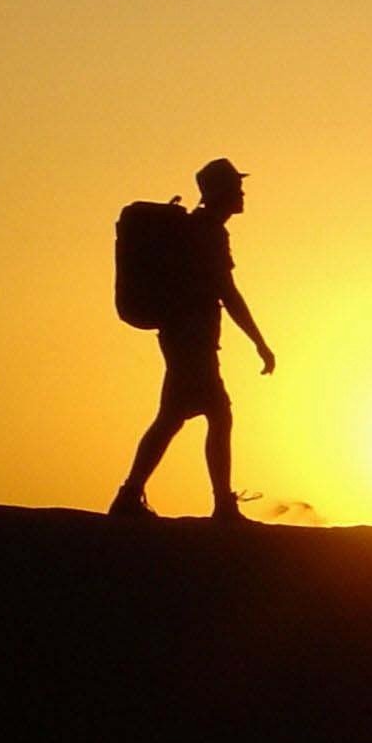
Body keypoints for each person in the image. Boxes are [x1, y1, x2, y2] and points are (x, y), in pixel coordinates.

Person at [110, 158, 275, 520]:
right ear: (220, 192)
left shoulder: (202, 230)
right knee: (214, 414)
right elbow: (226, 292)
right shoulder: (208, 233)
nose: (242, 193)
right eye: (236, 187)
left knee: (175, 417)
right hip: (190, 339)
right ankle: (221, 506)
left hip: (186, 336)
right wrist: (258, 342)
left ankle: (131, 495)